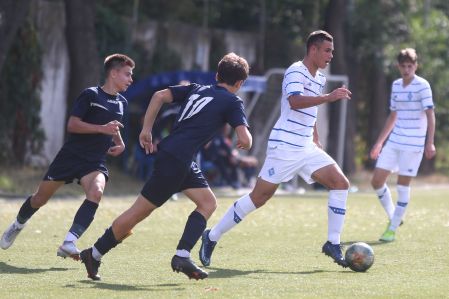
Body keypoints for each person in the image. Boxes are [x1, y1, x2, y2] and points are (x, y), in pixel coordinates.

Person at [79, 52, 252, 281]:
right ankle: (95, 253)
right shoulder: (232, 101)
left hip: (179, 158)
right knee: (138, 212)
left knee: (207, 203)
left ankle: (182, 255)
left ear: (217, 75)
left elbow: (160, 95)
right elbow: (246, 139)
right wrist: (246, 139)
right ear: (239, 83)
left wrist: (146, 129)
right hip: (176, 159)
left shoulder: (197, 88)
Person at [199, 30, 352, 269]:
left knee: (340, 183)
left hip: (306, 146)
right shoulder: (295, 71)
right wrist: (329, 97)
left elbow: (310, 113)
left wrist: (316, 138)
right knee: (259, 197)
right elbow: (295, 101)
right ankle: (212, 236)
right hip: (285, 147)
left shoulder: (320, 78)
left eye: (331, 51)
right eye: (327, 50)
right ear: (313, 49)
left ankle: (333, 243)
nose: (331, 55)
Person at [0, 54, 135, 260]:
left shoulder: (122, 103)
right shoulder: (91, 95)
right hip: (71, 157)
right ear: (113, 73)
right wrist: (101, 129)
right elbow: (72, 124)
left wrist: (120, 141)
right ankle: (18, 224)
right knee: (39, 199)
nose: (130, 79)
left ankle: (69, 242)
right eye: (127, 74)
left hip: (94, 161)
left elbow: (113, 126)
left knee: (96, 192)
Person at [370, 48, 436, 242]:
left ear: (415, 66)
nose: (407, 69)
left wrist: (429, 142)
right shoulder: (396, 85)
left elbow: (430, 114)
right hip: (395, 139)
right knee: (376, 181)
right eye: (404, 66)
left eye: (410, 66)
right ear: (398, 66)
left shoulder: (423, 86)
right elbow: (393, 115)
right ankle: (394, 216)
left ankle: (391, 229)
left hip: (413, 143)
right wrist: (379, 143)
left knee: (402, 185)